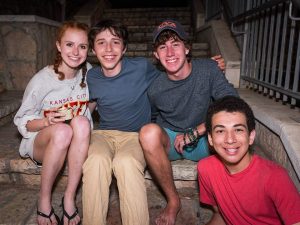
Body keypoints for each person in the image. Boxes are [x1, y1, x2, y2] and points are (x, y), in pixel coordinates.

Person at [139, 19, 238, 225]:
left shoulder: (208, 69)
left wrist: (199, 130)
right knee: (148, 132)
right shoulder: (155, 87)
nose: (170, 52)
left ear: (186, 48)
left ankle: (224, 205)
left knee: (230, 127)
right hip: (173, 139)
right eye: (162, 47)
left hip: (204, 137)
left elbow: (232, 102)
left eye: (175, 44)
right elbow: (153, 117)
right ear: (156, 56)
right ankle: (173, 201)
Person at [14, 21, 92, 225]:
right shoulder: (42, 80)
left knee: (82, 123)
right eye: (69, 45)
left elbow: (92, 104)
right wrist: (45, 121)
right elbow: (22, 122)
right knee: (62, 132)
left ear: (88, 49)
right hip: (43, 141)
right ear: (58, 45)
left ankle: (69, 198)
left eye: (82, 46)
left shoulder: (89, 73)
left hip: (74, 140)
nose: (76, 52)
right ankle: (44, 201)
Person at [198, 96, 300, 224]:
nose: (230, 139)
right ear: (211, 139)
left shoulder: (275, 177)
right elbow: (221, 214)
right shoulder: (206, 169)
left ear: (251, 136)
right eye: (220, 131)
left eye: (238, 130)